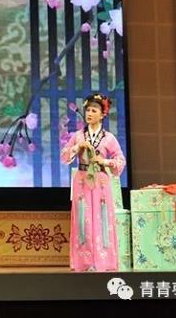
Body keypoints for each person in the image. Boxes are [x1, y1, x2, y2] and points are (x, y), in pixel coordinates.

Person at [60, 93, 126, 272]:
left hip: (101, 181)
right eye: (88, 110)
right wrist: (77, 147)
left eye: (94, 110)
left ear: (102, 114)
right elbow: (64, 156)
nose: (89, 113)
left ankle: (104, 261)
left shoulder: (109, 138)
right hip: (82, 179)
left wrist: (104, 161)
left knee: (101, 217)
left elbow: (120, 160)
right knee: (83, 219)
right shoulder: (78, 135)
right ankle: (84, 261)